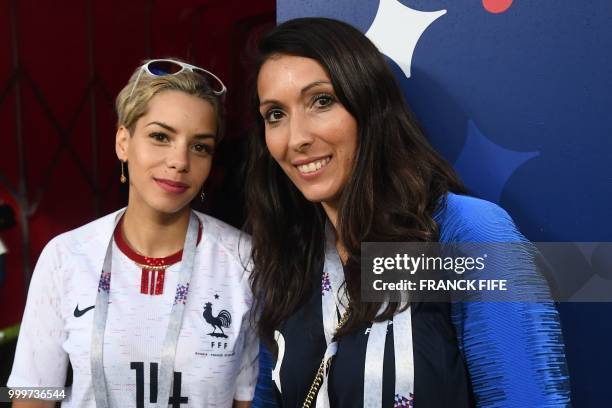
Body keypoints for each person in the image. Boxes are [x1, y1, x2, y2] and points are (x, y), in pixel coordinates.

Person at [246, 18, 570, 407]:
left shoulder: (463, 233)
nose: (296, 138)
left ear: (368, 106)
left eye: (322, 101)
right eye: (275, 114)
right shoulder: (291, 257)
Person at [8, 59, 257, 407]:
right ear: (123, 142)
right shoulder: (66, 256)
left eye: (200, 146)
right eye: (160, 136)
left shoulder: (245, 261)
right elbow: (33, 393)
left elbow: (246, 398)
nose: (179, 161)